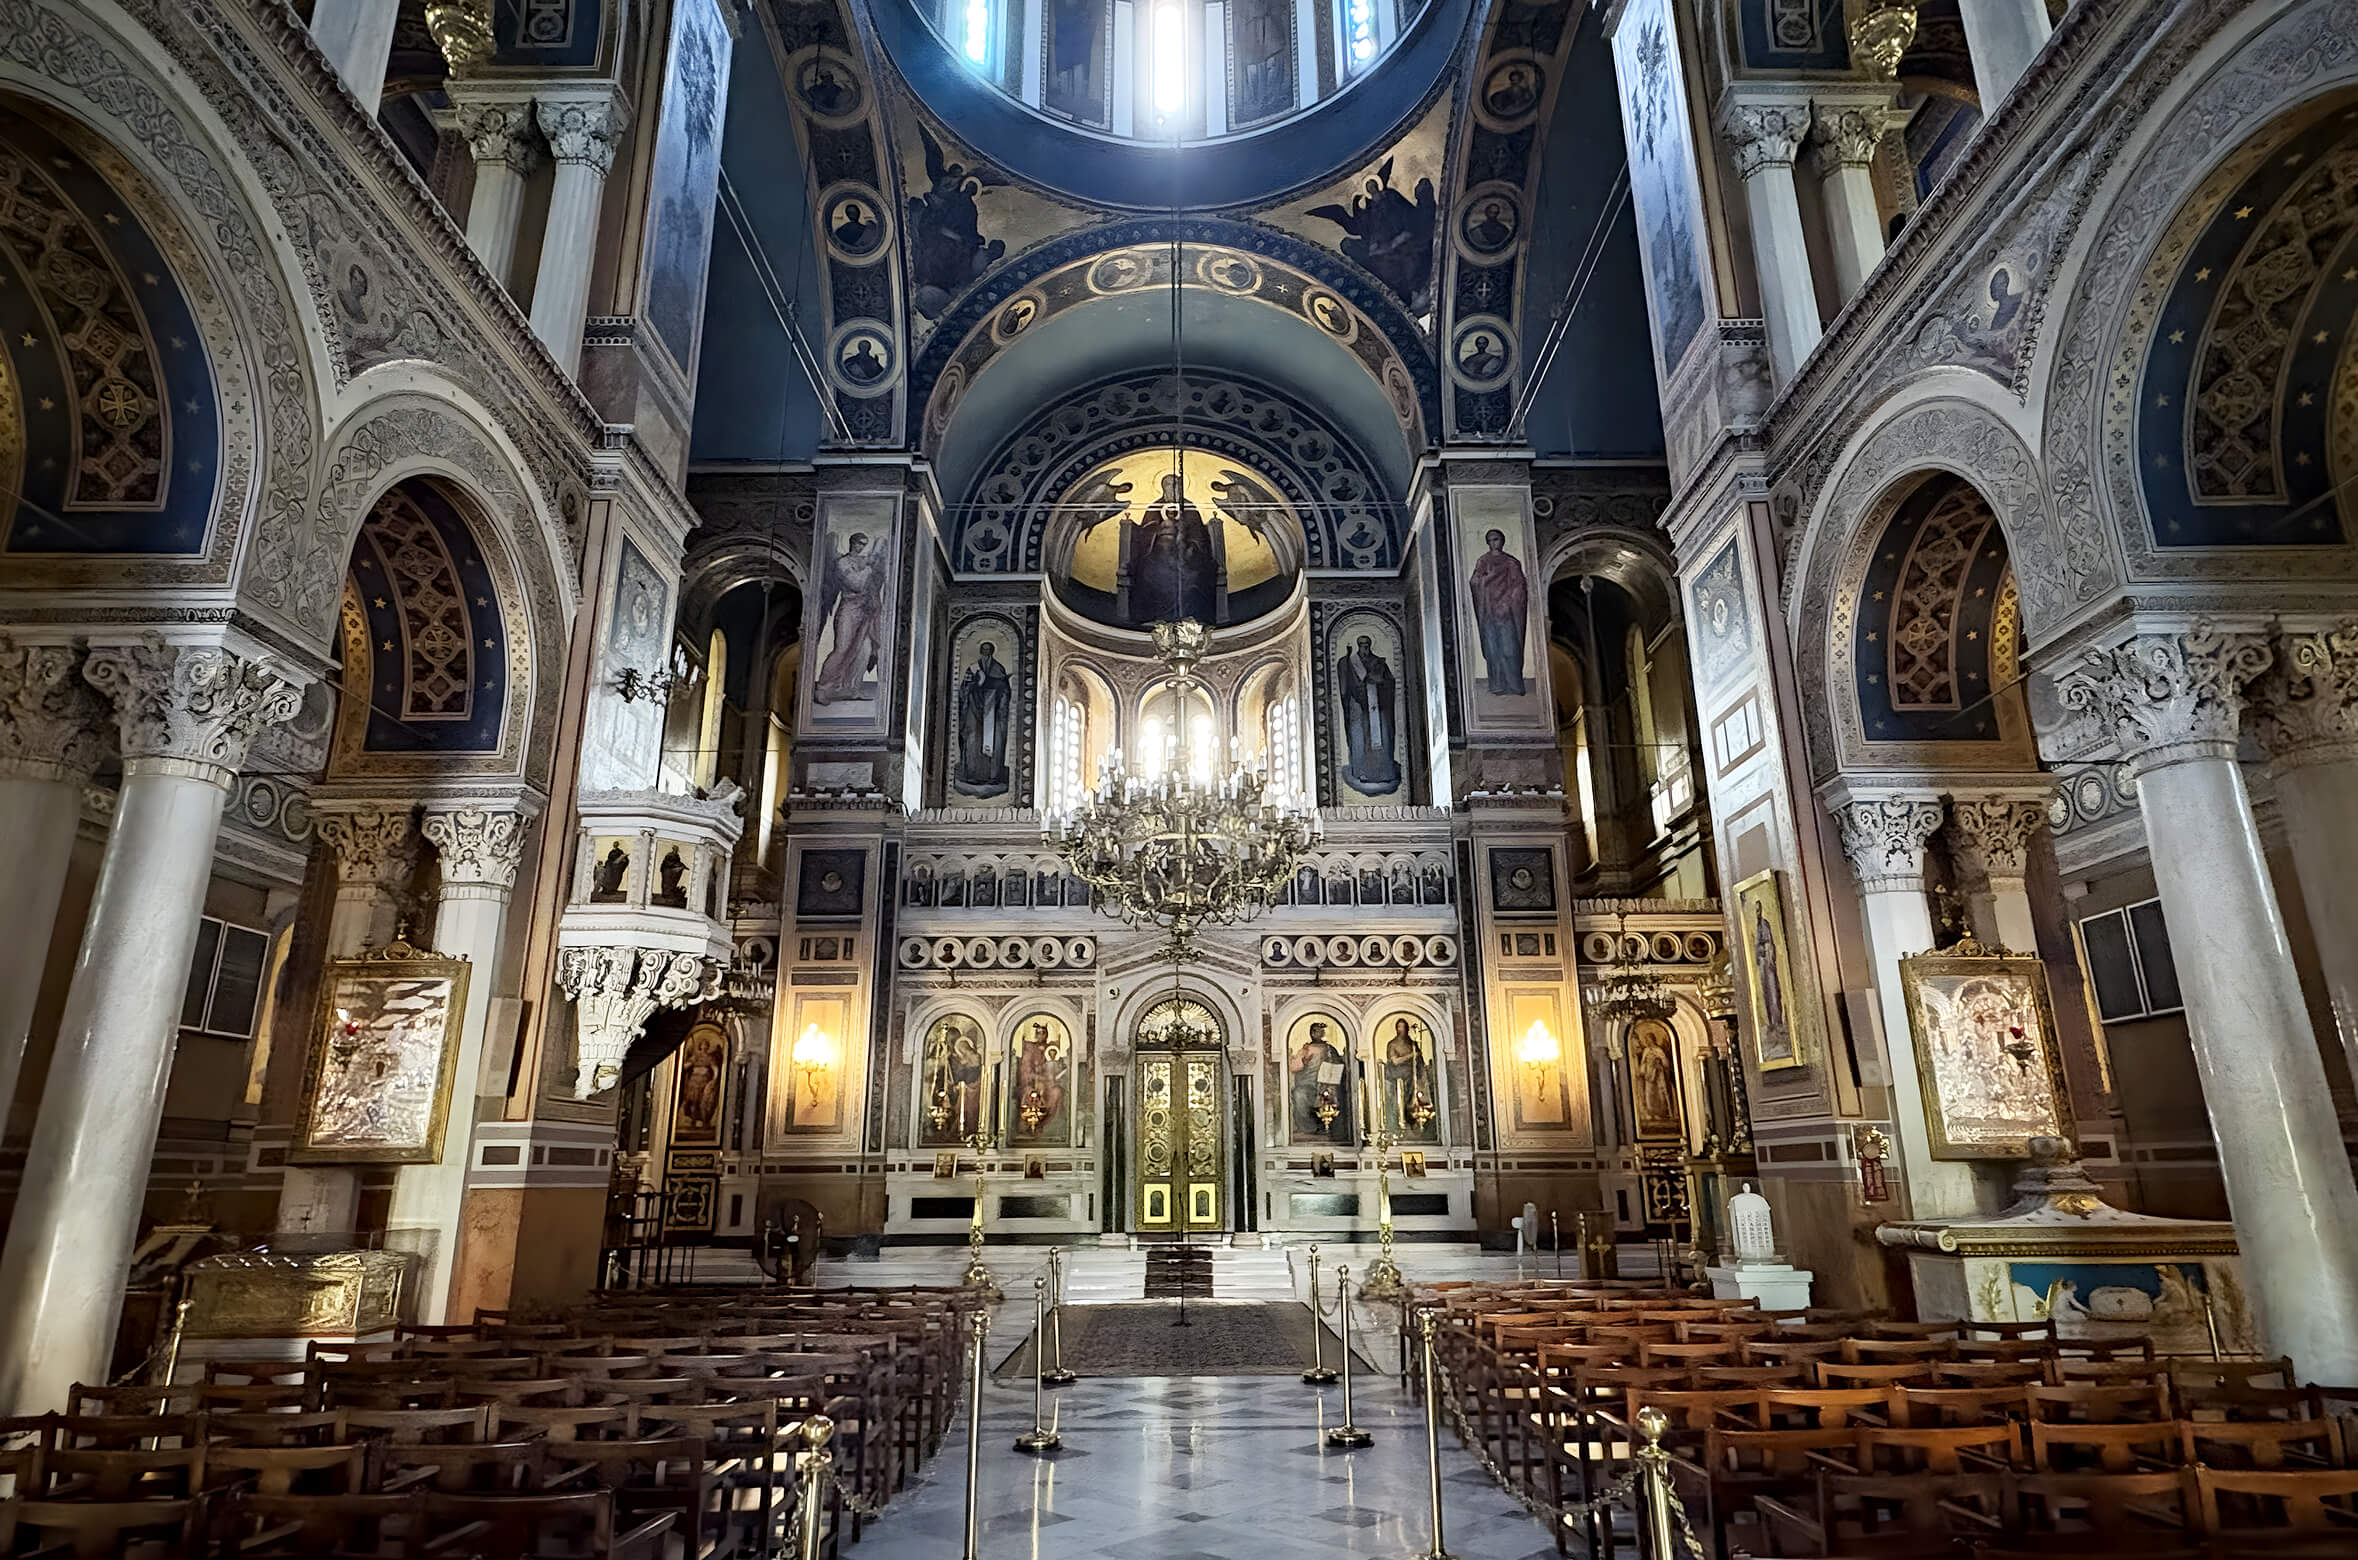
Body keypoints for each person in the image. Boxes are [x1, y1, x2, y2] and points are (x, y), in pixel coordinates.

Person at [813, 532, 885, 703]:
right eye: (859, 543)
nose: (861, 547)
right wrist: (868, 569)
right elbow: (856, 584)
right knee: (842, 649)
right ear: (852, 542)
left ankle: (852, 688)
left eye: (864, 544)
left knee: (864, 650)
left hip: (865, 612)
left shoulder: (863, 560)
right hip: (848, 610)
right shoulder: (842, 562)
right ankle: (823, 688)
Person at [1336, 634, 1401, 794]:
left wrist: (1380, 682)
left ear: (1370, 645)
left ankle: (1384, 772)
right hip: (1359, 708)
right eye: (1362, 645)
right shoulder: (1351, 663)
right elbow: (1346, 688)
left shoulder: (1379, 662)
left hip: (1378, 708)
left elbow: (1390, 682)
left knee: (1383, 737)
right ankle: (1361, 772)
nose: (1364, 648)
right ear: (1359, 646)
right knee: (1360, 739)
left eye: (1367, 645)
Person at [1469, 528, 1529, 694]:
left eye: (1497, 539)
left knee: (1510, 648)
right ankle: (1497, 684)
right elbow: (1474, 582)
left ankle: (1515, 684)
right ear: (1488, 543)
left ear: (1502, 541)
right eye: (1491, 540)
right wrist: (1487, 578)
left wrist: (1508, 603)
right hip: (1488, 612)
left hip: (1507, 612)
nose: (1494, 543)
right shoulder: (1483, 561)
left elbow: (1519, 587)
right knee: (1493, 649)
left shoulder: (1511, 562)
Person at [954, 641, 1012, 795]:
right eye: (983, 650)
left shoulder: (998, 668)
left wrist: (995, 686)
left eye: (988, 650)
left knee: (994, 741)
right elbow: (964, 688)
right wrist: (974, 686)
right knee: (973, 741)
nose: (985, 652)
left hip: (992, 711)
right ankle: (972, 775)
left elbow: (1005, 689)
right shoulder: (973, 667)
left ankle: (993, 776)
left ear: (992, 652)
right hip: (973, 709)